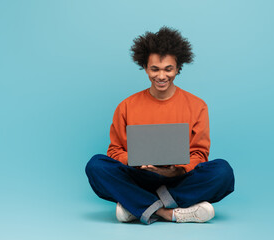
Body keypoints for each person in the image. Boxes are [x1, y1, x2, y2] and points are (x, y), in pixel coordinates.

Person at [85, 26, 235, 225]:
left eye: (168, 69)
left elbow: (199, 154)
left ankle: (137, 205)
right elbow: (114, 151)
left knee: (222, 172)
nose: (161, 76)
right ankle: (168, 213)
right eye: (154, 69)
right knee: (96, 165)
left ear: (178, 68)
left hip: (178, 177)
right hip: (139, 175)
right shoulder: (126, 106)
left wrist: (178, 170)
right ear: (145, 68)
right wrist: (136, 161)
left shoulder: (197, 106)